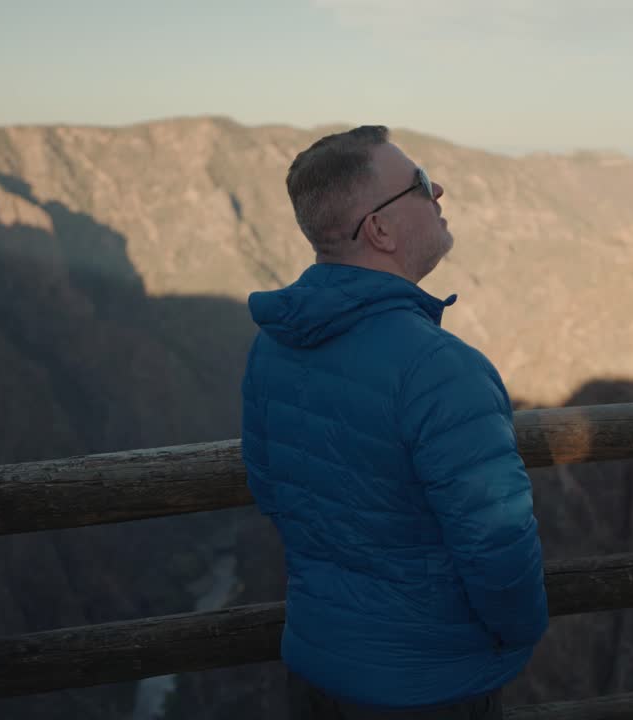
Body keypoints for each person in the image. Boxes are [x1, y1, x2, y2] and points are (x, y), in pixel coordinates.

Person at [240, 125, 549, 719]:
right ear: (378, 229)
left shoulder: (274, 347)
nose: (440, 191)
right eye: (421, 184)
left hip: (316, 667)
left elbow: (272, 493)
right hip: (428, 686)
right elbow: (498, 541)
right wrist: (518, 634)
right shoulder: (441, 369)